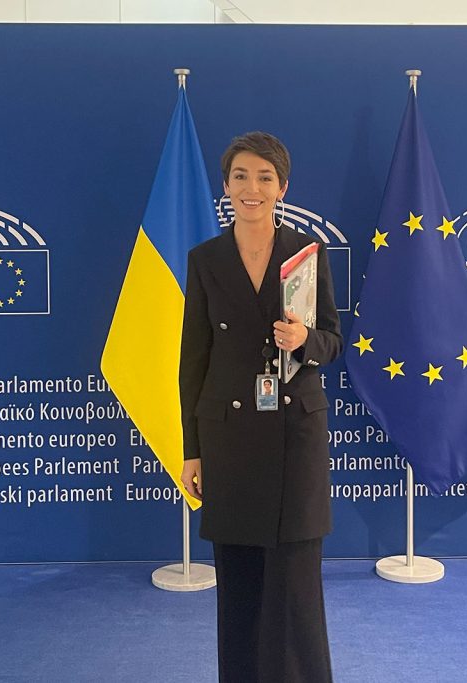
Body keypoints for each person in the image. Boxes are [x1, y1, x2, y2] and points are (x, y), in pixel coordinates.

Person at [179, 131, 343, 683]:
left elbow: (333, 341)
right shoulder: (205, 260)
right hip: (228, 438)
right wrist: (192, 450)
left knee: (296, 586)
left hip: (296, 435)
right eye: (242, 176)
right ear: (226, 186)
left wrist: (305, 340)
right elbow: (193, 359)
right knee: (241, 581)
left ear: (282, 188)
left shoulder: (307, 256)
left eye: (265, 177)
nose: (253, 188)